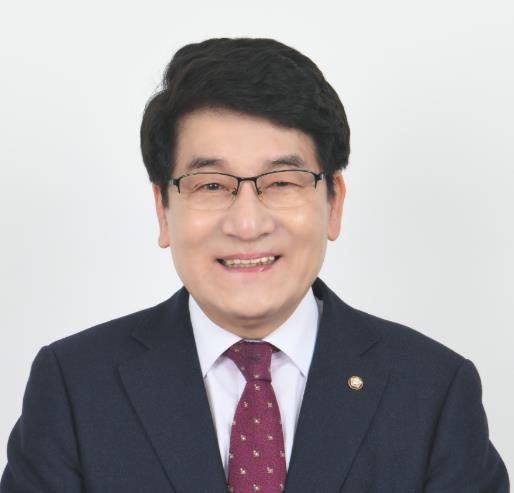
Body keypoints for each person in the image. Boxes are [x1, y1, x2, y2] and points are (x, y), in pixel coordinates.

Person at [0, 37, 509, 493]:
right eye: (211, 185)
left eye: (282, 182)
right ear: (162, 209)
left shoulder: (433, 391)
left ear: (334, 202)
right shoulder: (75, 387)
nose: (247, 224)